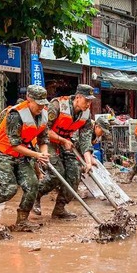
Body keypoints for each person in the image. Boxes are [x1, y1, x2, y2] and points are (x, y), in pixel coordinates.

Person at [0, 85, 50, 231]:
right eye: (38, 103)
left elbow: (43, 138)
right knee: (9, 189)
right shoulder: (16, 114)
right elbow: (14, 145)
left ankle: (22, 221)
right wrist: (37, 155)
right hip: (3, 151)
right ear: (29, 100)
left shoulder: (44, 114)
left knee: (32, 184)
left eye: (43, 103)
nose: (41, 107)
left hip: (22, 153)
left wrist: (44, 153)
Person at [38, 84, 96, 220]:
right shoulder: (57, 105)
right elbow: (44, 130)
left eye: (90, 101)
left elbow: (85, 140)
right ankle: (36, 196)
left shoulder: (86, 114)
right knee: (57, 173)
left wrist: (88, 160)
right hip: (48, 141)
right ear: (78, 97)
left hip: (67, 142)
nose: (88, 104)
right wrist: (62, 140)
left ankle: (59, 209)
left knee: (74, 174)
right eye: (86, 100)